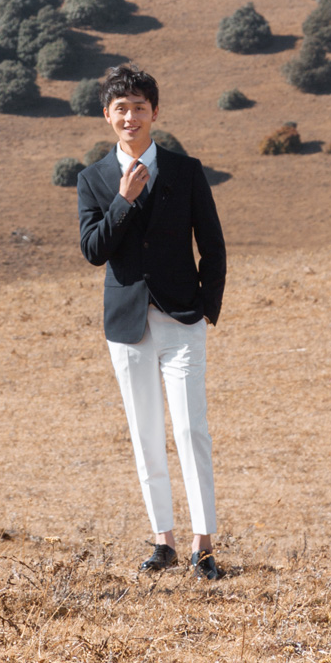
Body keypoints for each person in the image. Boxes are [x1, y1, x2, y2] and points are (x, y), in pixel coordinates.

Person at [77, 63, 227, 581]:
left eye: (139, 108)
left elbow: (213, 245)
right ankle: (163, 542)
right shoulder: (93, 179)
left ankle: (203, 544)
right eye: (121, 109)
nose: (131, 117)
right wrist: (122, 201)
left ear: (155, 112)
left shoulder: (186, 170)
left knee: (190, 429)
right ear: (107, 115)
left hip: (182, 318)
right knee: (145, 434)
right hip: (127, 324)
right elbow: (93, 251)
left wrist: (205, 307)